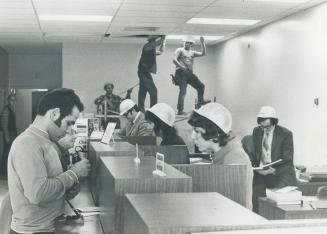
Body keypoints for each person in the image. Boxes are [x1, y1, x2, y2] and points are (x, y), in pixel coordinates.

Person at [8, 88, 91, 234]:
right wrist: (73, 174)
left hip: (49, 225)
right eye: (69, 123)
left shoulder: (47, 141)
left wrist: (66, 189)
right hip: (34, 230)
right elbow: (38, 194)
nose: (70, 130)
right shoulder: (27, 143)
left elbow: (49, 184)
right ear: (54, 114)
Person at [187, 102, 253, 209]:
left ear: (213, 133)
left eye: (197, 131)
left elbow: (234, 207)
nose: (193, 136)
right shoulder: (221, 154)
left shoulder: (234, 158)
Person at [251, 106, 297, 212]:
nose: (265, 130)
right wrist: (256, 167)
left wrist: (274, 170)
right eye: (262, 127)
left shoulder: (285, 134)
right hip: (261, 173)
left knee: (275, 204)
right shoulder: (257, 131)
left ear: (274, 122)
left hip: (279, 173)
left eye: (268, 127)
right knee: (256, 200)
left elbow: (288, 159)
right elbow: (255, 153)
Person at [173, 36, 207, 115]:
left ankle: (200, 105)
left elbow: (203, 53)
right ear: (184, 42)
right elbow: (174, 60)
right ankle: (180, 110)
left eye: (189, 43)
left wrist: (202, 43)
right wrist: (181, 66)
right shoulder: (179, 50)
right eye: (186, 42)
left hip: (189, 73)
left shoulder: (192, 52)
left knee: (201, 86)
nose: (187, 44)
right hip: (181, 72)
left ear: (191, 44)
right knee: (183, 91)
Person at [138, 35, 166, 112]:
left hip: (145, 73)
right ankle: (153, 111)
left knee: (143, 90)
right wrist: (163, 38)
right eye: (154, 40)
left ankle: (141, 109)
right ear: (152, 40)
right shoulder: (147, 46)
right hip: (143, 72)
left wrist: (163, 42)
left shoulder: (151, 49)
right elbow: (157, 43)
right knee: (153, 91)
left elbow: (160, 52)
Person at [0, 94, 17, 178]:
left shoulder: (11, 109)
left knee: (10, 153)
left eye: (14, 100)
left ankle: (6, 172)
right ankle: (3, 172)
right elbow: (4, 124)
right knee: (6, 153)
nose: (13, 102)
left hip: (12, 134)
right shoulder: (6, 110)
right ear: (8, 101)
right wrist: (7, 136)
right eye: (11, 100)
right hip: (9, 134)